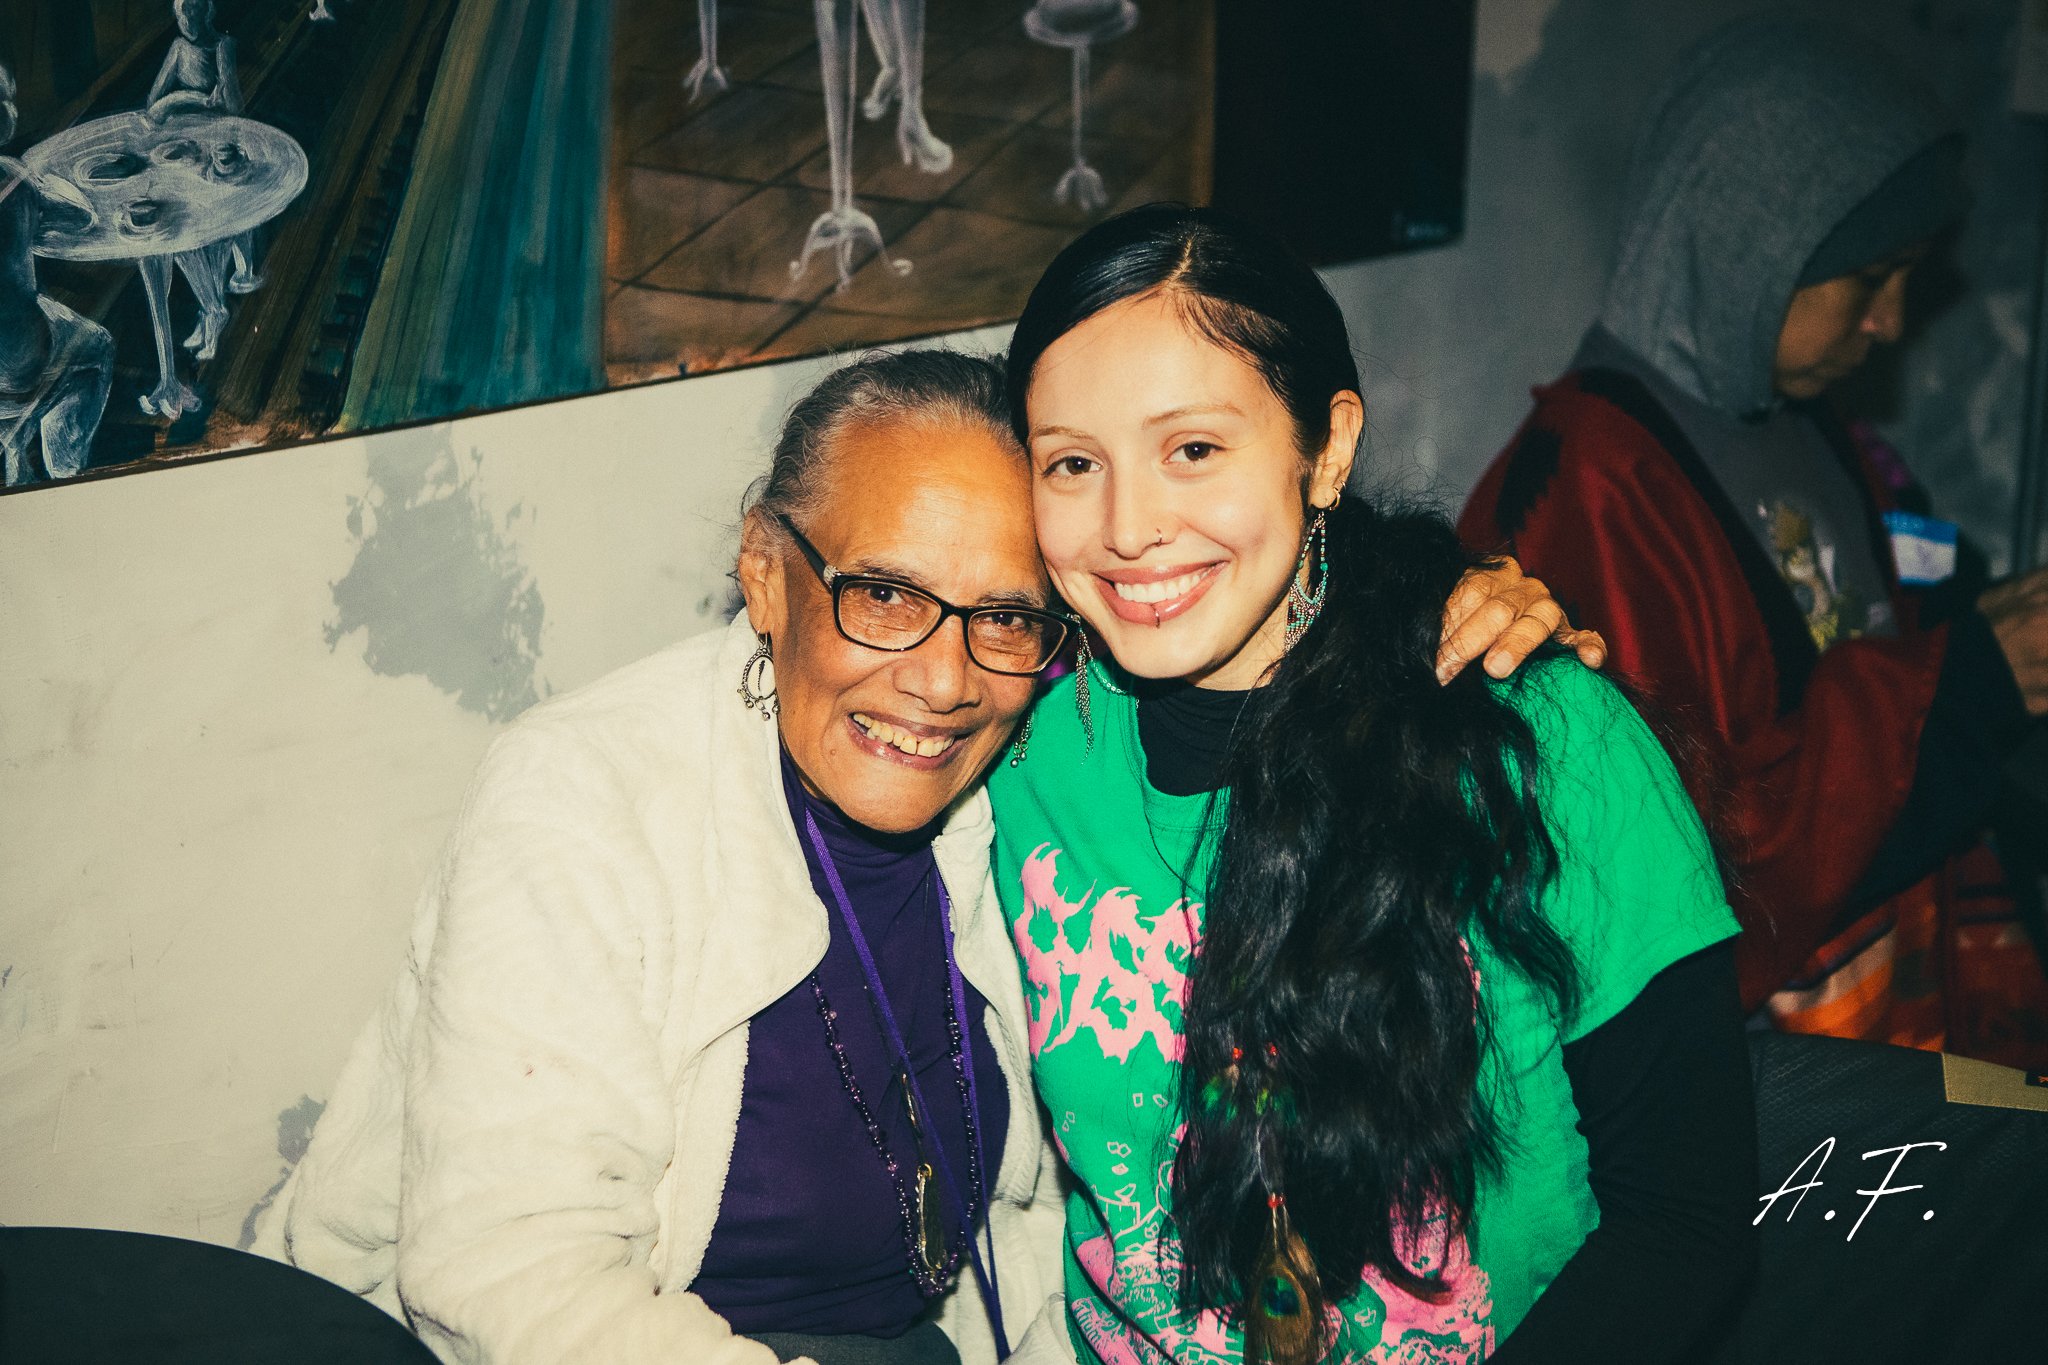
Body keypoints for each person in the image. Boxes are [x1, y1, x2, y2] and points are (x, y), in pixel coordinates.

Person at [255, 349, 1577, 1365]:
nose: (943, 681)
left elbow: (1253, 638)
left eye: (1005, 614)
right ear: (768, 574)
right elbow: (503, 1273)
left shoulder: (1037, 768)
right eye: (883, 594)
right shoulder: (583, 797)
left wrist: (1437, 610)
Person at [992, 204, 1756, 1365]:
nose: (1127, 527)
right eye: (1070, 464)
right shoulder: (1017, 748)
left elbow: (1684, 1225)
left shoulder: (1539, 736)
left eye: (1192, 449)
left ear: (1326, 448)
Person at [1458, 15, 2048, 1064]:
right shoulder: (1584, 487)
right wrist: (1960, 686)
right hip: (1760, 1097)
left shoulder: (1801, 422)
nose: (1890, 322)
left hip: (1872, 1024)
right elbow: (1684, 855)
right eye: (1867, 277)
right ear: (1746, 247)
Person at [0, 60, 114, 486]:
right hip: (13, 367)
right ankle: (63, 467)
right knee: (98, 345)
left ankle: (14, 451)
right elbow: (78, 218)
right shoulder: (16, 181)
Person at [144, 0, 265, 359]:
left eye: (191, 11)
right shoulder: (178, 49)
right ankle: (211, 308)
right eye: (179, 12)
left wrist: (216, 98)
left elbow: (234, 107)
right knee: (181, 233)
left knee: (210, 229)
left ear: (206, 12)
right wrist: (192, 99)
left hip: (220, 149)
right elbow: (154, 103)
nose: (184, 18)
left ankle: (213, 313)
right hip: (189, 149)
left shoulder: (222, 46)